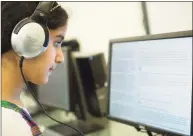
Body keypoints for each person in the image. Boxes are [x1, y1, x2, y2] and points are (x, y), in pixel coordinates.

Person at [1, 1, 69, 136]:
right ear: (26, 39)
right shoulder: (10, 125)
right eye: (56, 43)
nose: (60, 58)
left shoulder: (11, 110)